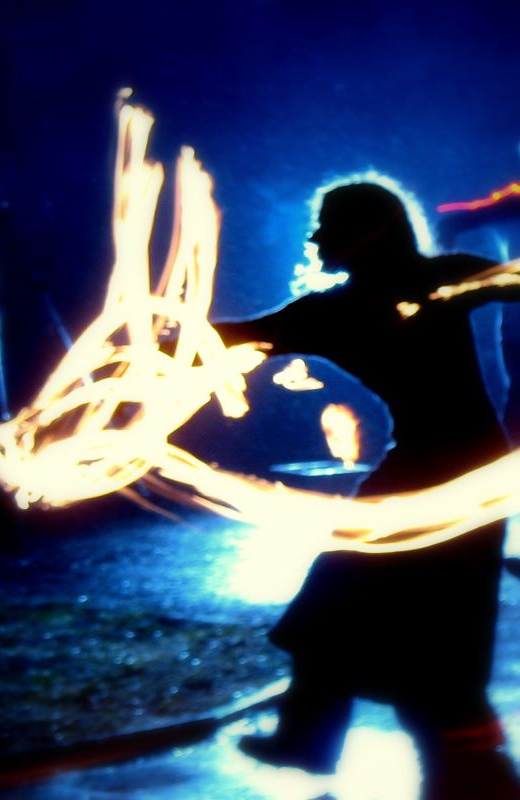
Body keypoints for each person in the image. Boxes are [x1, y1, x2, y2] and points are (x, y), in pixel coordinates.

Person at [215, 183, 520, 798]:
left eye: (328, 224)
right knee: (348, 603)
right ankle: (314, 738)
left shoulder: (425, 285)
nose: (316, 238)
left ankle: (446, 761)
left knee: (382, 613)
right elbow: (245, 334)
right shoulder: (347, 307)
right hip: (440, 472)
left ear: (371, 231)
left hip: (452, 477)